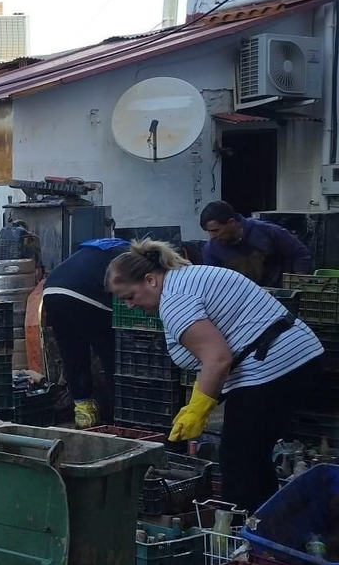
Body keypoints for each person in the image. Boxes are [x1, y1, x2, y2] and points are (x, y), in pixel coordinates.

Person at [106, 239, 324, 511]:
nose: (129, 306)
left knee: (237, 461)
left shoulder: (175, 300)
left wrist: (198, 409)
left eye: (129, 297)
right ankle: (265, 523)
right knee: (252, 454)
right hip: (294, 356)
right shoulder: (184, 279)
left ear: (150, 280)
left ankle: (240, 534)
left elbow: (218, 359)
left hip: (275, 365)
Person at [41, 237, 128, 428]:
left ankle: (84, 414)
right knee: (110, 352)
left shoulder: (94, 247)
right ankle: (120, 413)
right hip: (85, 293)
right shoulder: (129, 253)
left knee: (72, 352)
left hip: (51, 290)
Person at [199, 202, 313, 286]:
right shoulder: (211, 250)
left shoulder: (266, 231)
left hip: (278, 294)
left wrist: (299, 283)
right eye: (208, 232)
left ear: (231, 223)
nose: (212, 236)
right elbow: (213, 282)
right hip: (243, 299)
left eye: (215, 230)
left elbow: (299, 253)